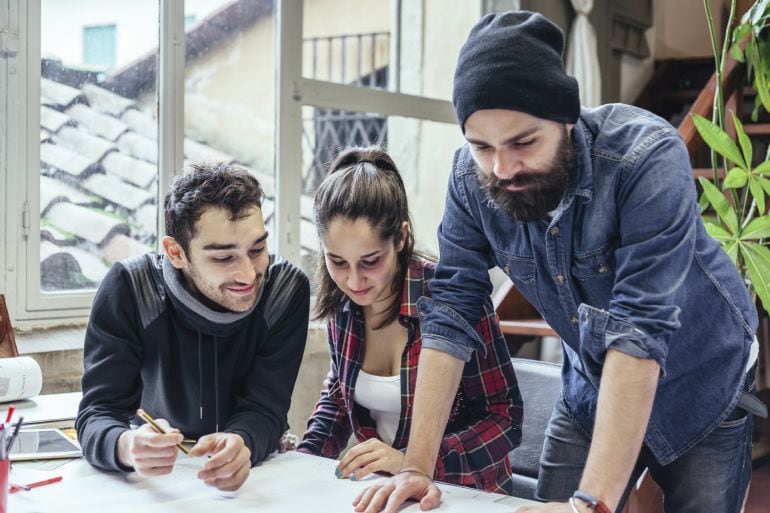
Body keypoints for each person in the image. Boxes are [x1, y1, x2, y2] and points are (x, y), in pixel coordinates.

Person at [354, 11, 764, 513]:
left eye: (524, 142)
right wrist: (416, 466)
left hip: (703, 378)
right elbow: (452, 312)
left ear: (566, 119)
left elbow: (639, 329)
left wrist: (590, 504)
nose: (502, 168)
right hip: (591, 381)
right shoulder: (470, 178)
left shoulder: (645, 158)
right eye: (482, 146)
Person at [297, 147, 522, 495]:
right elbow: (339, 399)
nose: (354, 281)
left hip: (464, 493)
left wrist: (413, 461)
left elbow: (504, 419)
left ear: (400, 237)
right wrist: (304, 460)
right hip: (387, 490)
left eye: (370, 261)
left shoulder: (452, 297)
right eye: (338, 262)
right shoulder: (342, 303)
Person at [76, 163, 310, 491]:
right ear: (176, 252)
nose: (248, 275)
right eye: (222, 258)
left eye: (257, 250)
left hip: (255, 474)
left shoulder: (285, 291)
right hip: (156, 480)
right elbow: (98, 413)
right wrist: (126, 445)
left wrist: (241, 441)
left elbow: (265, 406)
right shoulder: (130, 288)